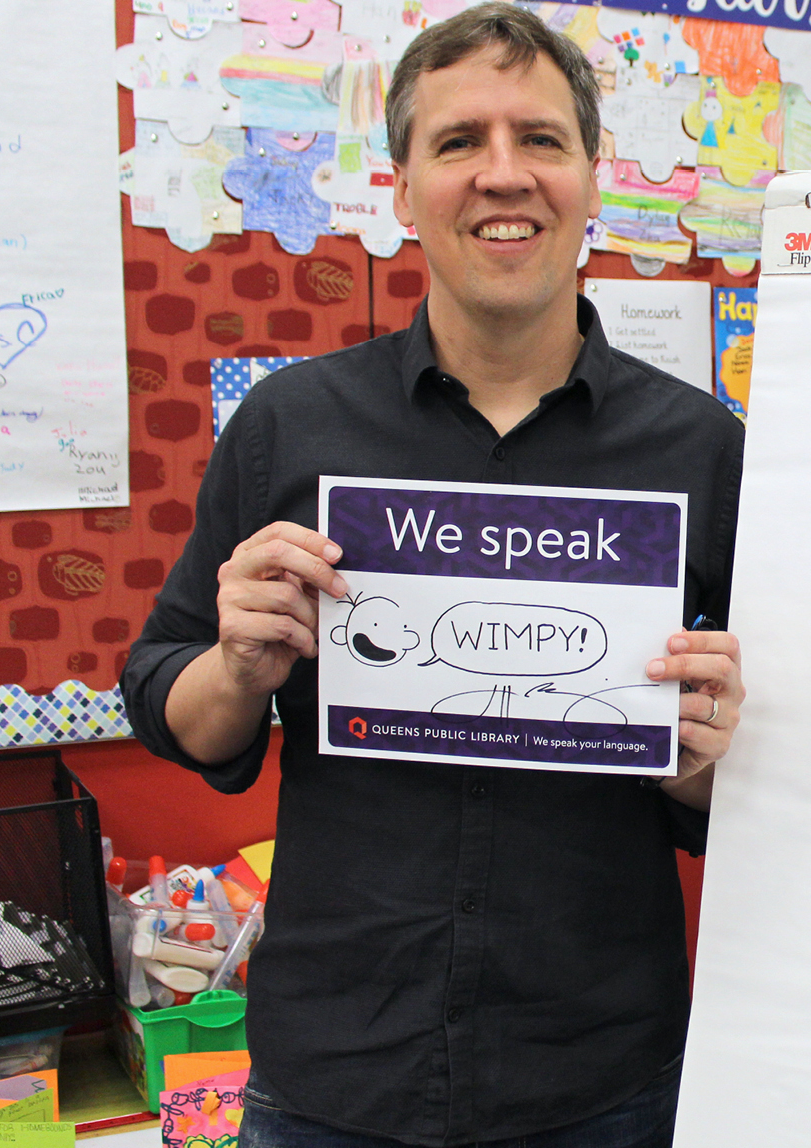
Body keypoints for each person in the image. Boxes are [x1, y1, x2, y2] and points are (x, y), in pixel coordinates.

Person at [120, 6, 745, 1146]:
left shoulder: (701, 449)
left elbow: (748, 797)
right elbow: (172, 707)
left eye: (539, 140)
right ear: (401, 187)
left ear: (591, 177)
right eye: (458, 143)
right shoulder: (289, 427)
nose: (502, 176)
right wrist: (238, 664)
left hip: (597, 1076)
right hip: (335, 1075)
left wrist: (705, 758)